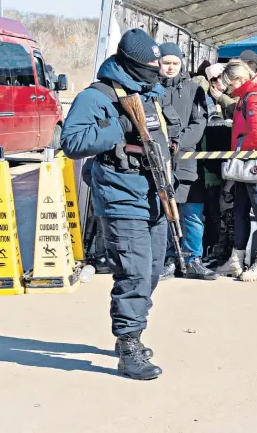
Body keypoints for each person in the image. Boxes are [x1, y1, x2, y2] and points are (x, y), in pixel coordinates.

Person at [61, 29, 180, 380]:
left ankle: (133, 329)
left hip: (156, 193)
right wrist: (117, 130)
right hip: (120, 195)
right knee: (135, 271)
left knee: (155, 269)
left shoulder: (151, 92)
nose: (159, 69)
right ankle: (128, 344)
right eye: (152, 64)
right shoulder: (98, 96)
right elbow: (72, 141)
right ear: (130, 63)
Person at [214, 60, 257, 281]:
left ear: (240, 79)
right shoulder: (251, 95)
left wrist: (240, 150)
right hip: (250, 161)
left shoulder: (254, 98)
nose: (228, 88)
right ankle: (237, 259)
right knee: (240, 210)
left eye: (229, 83)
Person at [157, 43, 216, 281]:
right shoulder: (149, 88)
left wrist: (179, 142)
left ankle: (193, 259)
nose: (170, 68)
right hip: (158, 160)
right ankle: (168, 258)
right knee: (164, 214)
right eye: (166, 63)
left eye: (175, 63)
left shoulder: (194, 89)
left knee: (191, 212)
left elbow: (198, 123)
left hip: (187, 161)